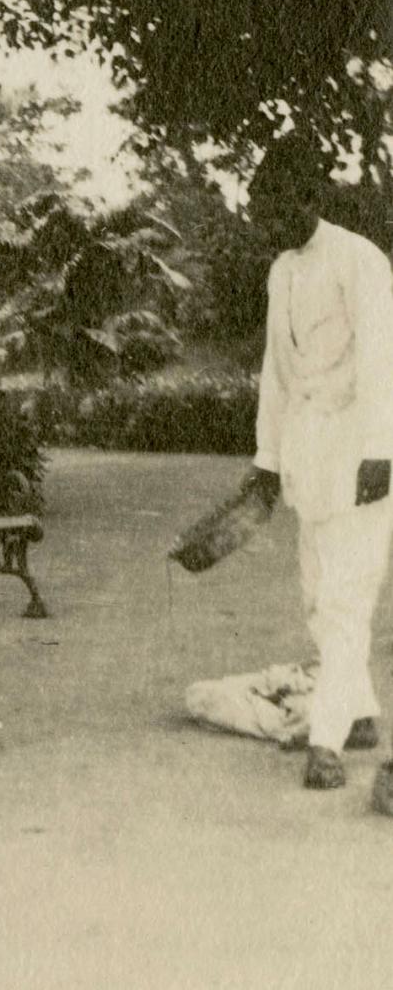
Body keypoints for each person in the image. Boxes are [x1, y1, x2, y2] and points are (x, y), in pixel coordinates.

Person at [242, 133, 393, 792]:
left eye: (276, 204)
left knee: (344, 600)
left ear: (311, 196)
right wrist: (267, 459)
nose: (265, 218)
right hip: (308, 455)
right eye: (258, 205)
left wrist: (380, 451)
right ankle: (359, 712)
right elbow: (276, 370)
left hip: (360, 454)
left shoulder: (358, 260)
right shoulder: (282, 270)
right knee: (315, 596)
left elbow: (382, 360)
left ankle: (326, 741)